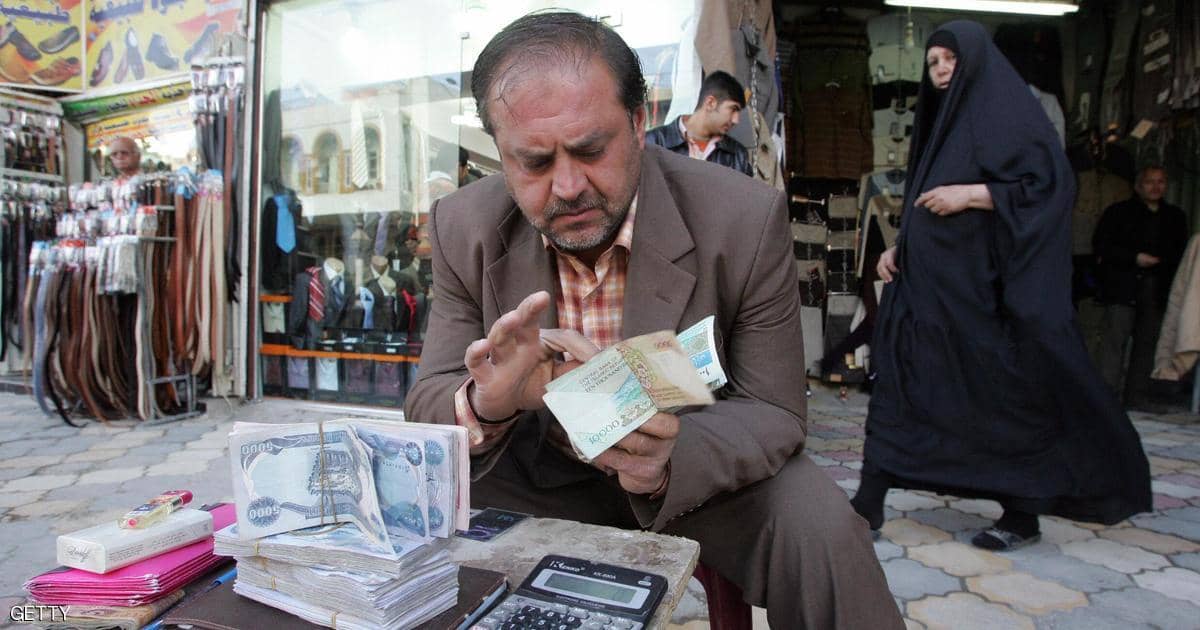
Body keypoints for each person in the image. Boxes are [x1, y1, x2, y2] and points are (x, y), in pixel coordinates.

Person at [405, 11, 902, 628]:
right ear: (501, 157)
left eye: (591, 150)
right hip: (536, 467)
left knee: (823, 533)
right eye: (533, 162)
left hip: (694, 468)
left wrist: (667, 461)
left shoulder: (742, 218)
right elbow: (427, 401)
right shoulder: (463, 225)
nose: (567, 186)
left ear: (640, 122)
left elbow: (774, 410)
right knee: (411, 521)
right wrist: (489, 403)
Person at [851, 21, 1151, 552]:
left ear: (977, 61)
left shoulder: (1009, 118)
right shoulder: (940, 122)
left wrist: (973, 194)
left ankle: (1021, 514)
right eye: (933, 62)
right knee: (902, 388)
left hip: (984, 300)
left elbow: (1051, 187)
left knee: (1001, 403)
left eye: (950, 59)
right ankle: (868, 500)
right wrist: (901, 247)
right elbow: (922, 199)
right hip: (926, 294)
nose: (941, 70)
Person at [1092, 166, 1189, 411]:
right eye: (1150, 182)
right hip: (1123, 285)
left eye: (1161, 182)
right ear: (1138, 185)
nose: (1155, 187)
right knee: (1114, 342)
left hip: (1156, 288)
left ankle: (1137, 398)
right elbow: (1102, 246)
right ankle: (1105, 399)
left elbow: (1180, 254)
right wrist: (1134, 258)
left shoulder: (1174, 217)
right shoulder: (1118, 212)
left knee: (1147, 344)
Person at [644, 70, 752, 176]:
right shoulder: (652, 142)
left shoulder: (738, 155)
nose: (736, 120)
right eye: (733, 109)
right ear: (710, 103)